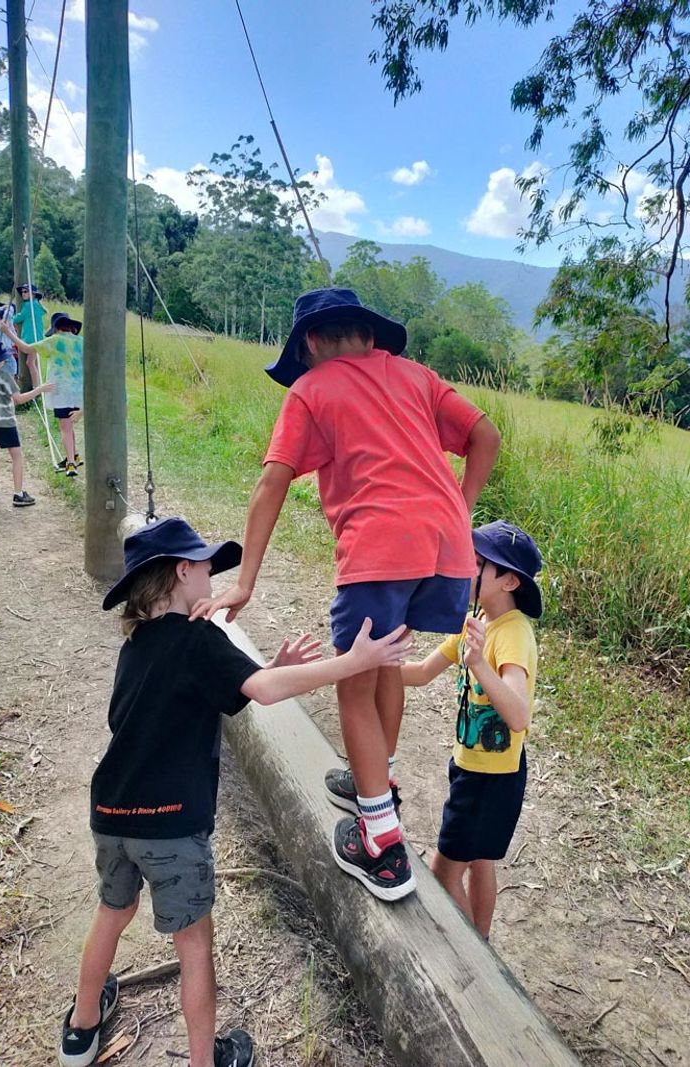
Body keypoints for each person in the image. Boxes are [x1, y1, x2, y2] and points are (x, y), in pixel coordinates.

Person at [60, 515, 411, 1067]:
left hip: (110, 813)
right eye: (205, 567)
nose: (211, 578)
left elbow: (215, 689)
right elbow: (263, 693)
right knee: (194, 946)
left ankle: (81, 1030)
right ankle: (205, 1060)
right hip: (171, 824)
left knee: (112, 910)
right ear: (182, 572)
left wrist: (270, 668)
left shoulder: (137, 645)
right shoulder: (199, 638)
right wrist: (352, 662)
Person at [190, 287, 501, 902]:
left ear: (309, 343)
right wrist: (457, 511)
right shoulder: (416, 376)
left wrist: (245, 579)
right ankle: (376, 782)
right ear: (370, 334)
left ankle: (380, 843)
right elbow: (485, 436)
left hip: (381, 546)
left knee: (355, 679)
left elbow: (272, 483)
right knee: (386, 659)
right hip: (445, 550)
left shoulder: (311, 389)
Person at [401, 520, 542, 939]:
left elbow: (518, 715)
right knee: (480, 860)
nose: (467, 567)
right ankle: (483, 943)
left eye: (479, 563)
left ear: (509, 581)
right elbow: (423, 672)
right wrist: (368, 666)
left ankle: (471, 956)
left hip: (489, 779)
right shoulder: (478, 621)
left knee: (443, 872)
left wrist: (479, 663)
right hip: (475, 767)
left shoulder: (512, 634)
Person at [0, 340, 54, 507]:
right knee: (17, 456)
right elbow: (19, 399)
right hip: (5, 423)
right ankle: (18, 494)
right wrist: (39, 389)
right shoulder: (5, 377)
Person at [1, 311, 84, 476]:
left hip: (60, 391)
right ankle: (73, 456)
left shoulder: (54, 340)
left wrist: (8, 332)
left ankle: (71, 464)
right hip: (78, 391)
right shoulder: (81, 341)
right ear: (71, 327)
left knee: (65, 427)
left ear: (56, 328)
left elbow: (26, 348)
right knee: (69, 426)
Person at [13, 283, 46, 385]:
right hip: (38, 338)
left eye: (26, 291)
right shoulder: (37, 305)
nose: (23, 293)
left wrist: (10, 318)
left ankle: (37, 387)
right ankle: (37, 386)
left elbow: (19, 318)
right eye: (22, 292)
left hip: (31, 339)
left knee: (30, 363)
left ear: (33, 294)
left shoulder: (29, 306)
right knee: (33, 363)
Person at [0, 302, 18, 377]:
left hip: (5, 350)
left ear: (2, 317)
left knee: (11, 368)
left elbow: (9, 312)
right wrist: (2, 307)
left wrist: (7, 307)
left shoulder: (6, 324)